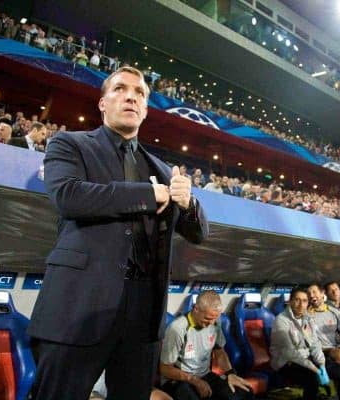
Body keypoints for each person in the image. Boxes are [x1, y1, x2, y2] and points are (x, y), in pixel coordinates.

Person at [27, 66, 209, 400]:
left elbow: (199, 233)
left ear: (145, 109)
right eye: (120, 89)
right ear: (102, 103)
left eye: (139, 93)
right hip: (79, 307)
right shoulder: (70, 144)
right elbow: (69, 196)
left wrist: (188, 202)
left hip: (142, 315)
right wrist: (146, 194)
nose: (131, 96)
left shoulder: (162, 169)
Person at [159, 290, 253, 400]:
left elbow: (219, 352)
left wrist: (230, 373)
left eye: (214, 318)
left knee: (244, 392)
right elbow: (165, 368)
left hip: (204, 375)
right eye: (207, 319)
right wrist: (195, 381)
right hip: (178, 379)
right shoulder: (178, 329)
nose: (211, 323)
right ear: (196, 309)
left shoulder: (214, 323)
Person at [270, 286, 340, 400]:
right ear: (290, 301)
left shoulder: (308, 319)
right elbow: (289, 353)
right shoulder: (281, 321)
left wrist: (322, 364)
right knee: (312, 377)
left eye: (304, 301)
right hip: (287, 363)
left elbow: (315, 344)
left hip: (309, 360)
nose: (300, 304)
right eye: (297, 300)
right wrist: (315, 369)